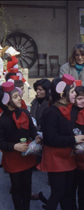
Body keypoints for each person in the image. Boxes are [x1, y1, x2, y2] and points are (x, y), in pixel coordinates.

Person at [37, 74, 84, 210]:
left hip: (67, 157)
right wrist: (74, 139)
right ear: (61, 93)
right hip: (56, 160)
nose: (74, 94)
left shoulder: (66, 109)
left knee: (66, 194)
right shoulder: (51, 112)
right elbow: (51, 138)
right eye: (71, 91)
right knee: (57, 194)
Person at [0, 81, 41, 210]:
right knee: (16, 187)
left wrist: (36, 136)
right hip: (12, 158)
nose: (20, 98)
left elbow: (32, 129)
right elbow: (1, 142)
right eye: (15, 97)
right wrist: (14, 147)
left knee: (27, 185)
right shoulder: (2, 120)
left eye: (19, 95)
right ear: (7, 100)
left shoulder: (24, 112)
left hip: (27, 155)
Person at [59, 43, 84, 118]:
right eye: (77, 55)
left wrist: (74, 83)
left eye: (83, 54)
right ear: (73, 55)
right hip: (70, 103)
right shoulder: (65, 68)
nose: (80, 57)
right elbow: (63, 86)